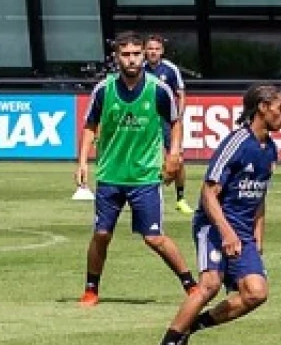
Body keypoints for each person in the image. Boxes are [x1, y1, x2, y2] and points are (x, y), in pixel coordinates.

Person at [148, 84, 281, 345]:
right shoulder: (236, 143)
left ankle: (189, 329)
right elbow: (208, 193)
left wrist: (258, 236)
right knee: (209, 284)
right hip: (214, 225)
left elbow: (259, 195)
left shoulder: (270, 150)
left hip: (243, 232)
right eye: (280, 108)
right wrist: (226, 232)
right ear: (262, 108)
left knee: (256, 293)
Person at [76, 32, 199, 306]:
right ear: (116, 57)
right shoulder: (103, 89)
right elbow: (89, 127)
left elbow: (175, 122)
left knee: (154, 238)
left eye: (136, 54)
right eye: (126, 54)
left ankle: (191, 285)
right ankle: (91, 289)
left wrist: (174, 155)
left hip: (145, 177)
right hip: (110, 175)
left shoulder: (158, 89)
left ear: (144, 55)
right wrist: (83, 162)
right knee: (101, 234)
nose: (131, 60)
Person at [144, 35, 193, 215]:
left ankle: (180, 198)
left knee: (177, 158)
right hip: (147, 120)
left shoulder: (170, 69)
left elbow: (181, 93)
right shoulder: (139, 69)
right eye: (150, 49)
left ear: (161, 51)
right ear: (145, 51)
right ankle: (143, 197)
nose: (153, 52)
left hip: (166, 119)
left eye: (156, 49)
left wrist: (178, 117)